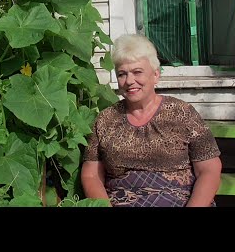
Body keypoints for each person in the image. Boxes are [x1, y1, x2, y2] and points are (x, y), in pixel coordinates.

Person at [81, 34, 222, 207]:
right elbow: (91, 175)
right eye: (122, 74)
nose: (129, 81)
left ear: (155, 75)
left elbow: (210, 169)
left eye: (137, 72)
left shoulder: (182, 113)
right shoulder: (105, 120)